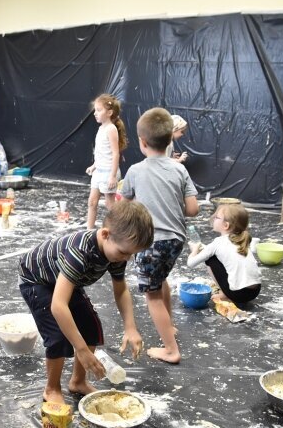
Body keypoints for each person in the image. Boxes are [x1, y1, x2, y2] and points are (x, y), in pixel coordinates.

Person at [18, 201, 153, 403]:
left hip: (64, 279)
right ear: (106, 235)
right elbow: (58, 305)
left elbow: (121, 289)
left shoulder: (116, 253)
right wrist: (81, 350)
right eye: (125, 253)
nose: (127, 258)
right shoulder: (79, 253)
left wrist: (130, 327)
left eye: (132, 254)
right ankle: (52, 389)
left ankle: (78, 381)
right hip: (36, 280)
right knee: (58, 337)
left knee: (90, 326)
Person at [121, 107, 199, 364]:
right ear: (170, 140)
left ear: (143, 142)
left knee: (151, 295)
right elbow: (192, 209)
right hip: (175, 240)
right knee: (161, 279)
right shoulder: (179, 170)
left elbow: (125, 206)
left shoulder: (134, 171)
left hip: (150, 241)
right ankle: (170, 326)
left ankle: (171, 349)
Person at [186, 204, 261, 305]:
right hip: (254, 292)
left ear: (226, 225)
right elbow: (214, 250)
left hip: (238, 294)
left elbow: (190, 263)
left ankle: (226, 294)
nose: (213, 218)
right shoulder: (241, 239)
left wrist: (194, 250)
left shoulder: (218, 243)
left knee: (210, 259)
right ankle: (229, 293)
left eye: (217, 217)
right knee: (213, 256)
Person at [86, 94, 127, 229]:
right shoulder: (101, 128)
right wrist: (94, 165)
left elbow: (115, 154)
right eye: (95, 110)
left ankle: (121, 227)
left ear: (109, 113)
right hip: (99, 172)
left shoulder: (111, 129)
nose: (95, 113)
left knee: (110, 204)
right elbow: (102, 152)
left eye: (99, 110)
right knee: (92, 202)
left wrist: (112, 176)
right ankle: (88, 231)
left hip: (108, 173)